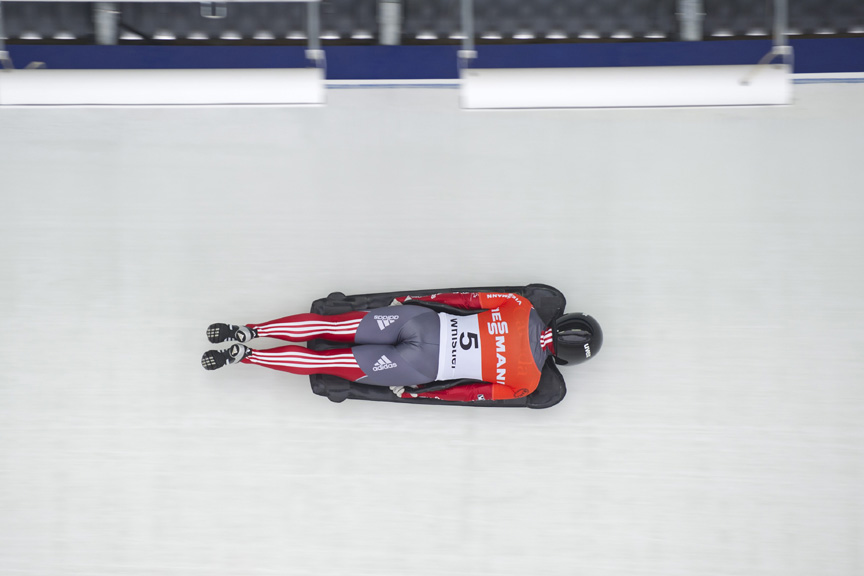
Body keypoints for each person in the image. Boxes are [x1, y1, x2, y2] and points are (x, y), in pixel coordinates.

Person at [202, 291, 602, 402]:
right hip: (421, 367)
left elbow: (462, 300)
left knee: (335, 326)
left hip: (423, 323)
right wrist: (416, 391)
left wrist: (414, 304)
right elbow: (465, 393)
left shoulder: (521, 305)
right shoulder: (528, 383)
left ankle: (251, 330)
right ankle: (249, 356)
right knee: (333, 360)